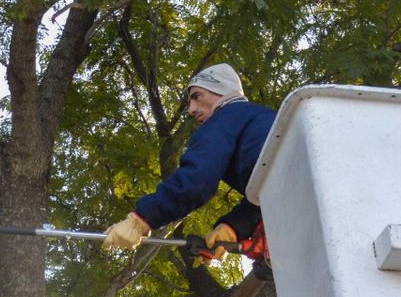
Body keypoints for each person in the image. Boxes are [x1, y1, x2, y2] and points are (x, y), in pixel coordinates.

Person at [102, 63, 277, 270]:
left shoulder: (226, 117)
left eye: (197, 96)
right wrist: (233, 228)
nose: (191, 109)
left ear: (221, 91)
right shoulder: (259, 121)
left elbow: (197, 180)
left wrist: (143, 218)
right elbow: (269, 196)